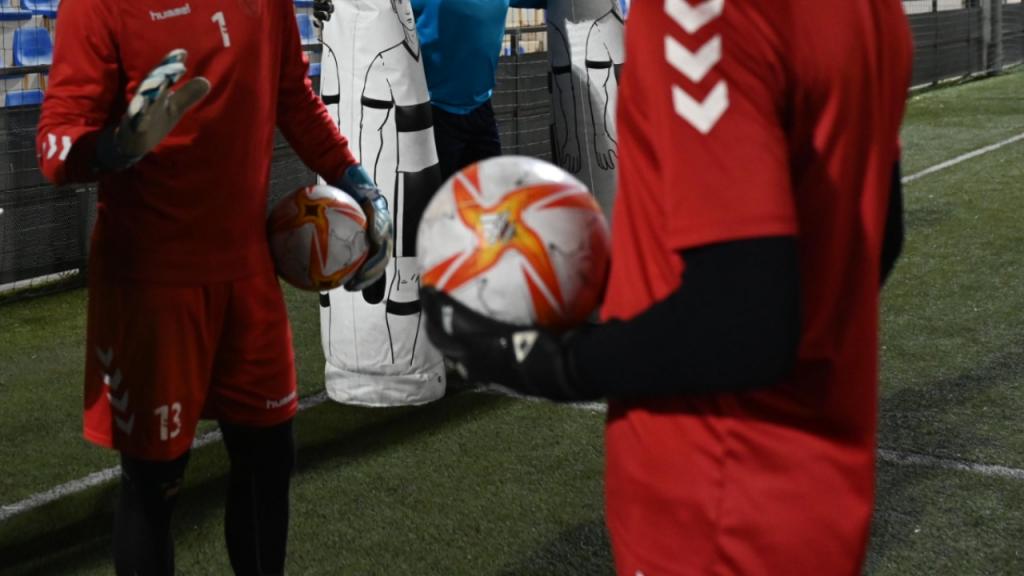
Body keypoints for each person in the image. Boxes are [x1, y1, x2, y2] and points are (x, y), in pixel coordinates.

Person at [421, 0, 913, 573]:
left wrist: (533, 358)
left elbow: (744, 326)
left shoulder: (700, 12)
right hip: (821, 492)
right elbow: (879, 237)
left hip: (716, 507)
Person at [37, 0, 392, 573]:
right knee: (156, 484)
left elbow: (292, 97)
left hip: (247, 271)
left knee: (268, 461)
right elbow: (56, 144)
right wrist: (117, 145)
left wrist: (356, 179)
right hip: (150, 285)